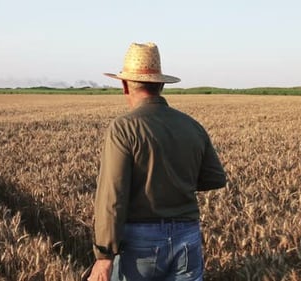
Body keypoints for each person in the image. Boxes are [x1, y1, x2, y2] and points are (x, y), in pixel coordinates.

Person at [88, 42, 227, 281]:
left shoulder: (124, 127)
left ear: (124, 85)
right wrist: (175, 181)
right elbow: (215, 178)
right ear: (161, 84)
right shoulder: (192, 125)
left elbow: (113, 195)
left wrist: (104, 256)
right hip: (187, 235)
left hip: (141, 240)